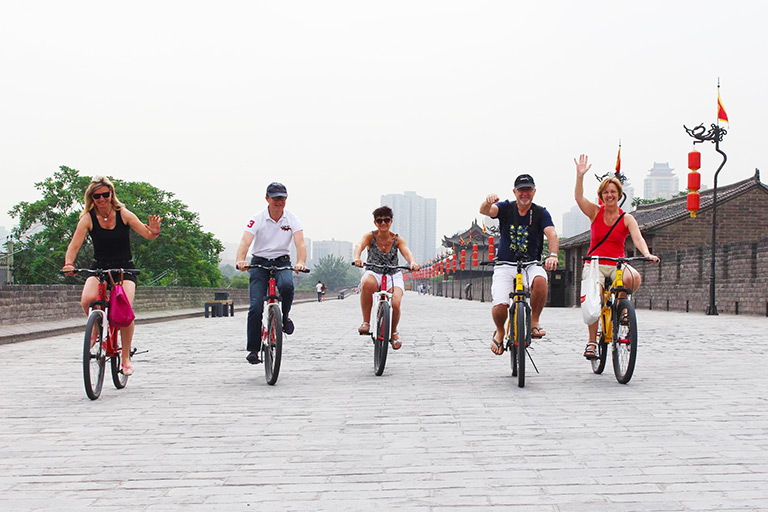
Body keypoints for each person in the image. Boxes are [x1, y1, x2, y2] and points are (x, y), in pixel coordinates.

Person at [62, 176, 162, 376]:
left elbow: (147, 234)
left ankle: (125, 357)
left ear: (111, 194)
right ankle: (97, 333)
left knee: (123, 310)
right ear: (91, 197)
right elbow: (74, 244)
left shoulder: (123, 214)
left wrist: (155, 231)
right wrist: (69, 263)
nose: (101, 199)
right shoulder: (88, 218)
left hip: (124, 269)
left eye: (105, 195)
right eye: (97, 196)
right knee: (87, 300)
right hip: (99, 267)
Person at [574, 154, 659, 359]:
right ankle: (592, 341)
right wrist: (579, 177)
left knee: (634, 277)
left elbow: (637, 239)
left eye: (613, 192)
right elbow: (578, 198)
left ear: (619, 194)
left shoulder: (627, 218)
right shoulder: (595, 212)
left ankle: (621, 308)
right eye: (606, 192)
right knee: (595, 301)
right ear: (601, 195)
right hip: (595, 263)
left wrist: (646, 253)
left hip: (617, 263)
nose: (609, 195)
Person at [479, 173, 559, 355]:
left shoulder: (540, 212)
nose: (525, 194)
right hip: (505, 264)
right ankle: (500, 332)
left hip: (530, 263)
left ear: (534, 191)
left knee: (540, 280)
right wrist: (488, 202)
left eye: (528, 190)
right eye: (521, 190)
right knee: (500, 305)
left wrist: (553, 255)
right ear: (515, 192)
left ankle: (535, 322)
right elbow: (485, 211)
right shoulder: (506, 207)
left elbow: (552, 234)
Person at [236, 182, 307, 365]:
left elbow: (300, 243)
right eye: (275, 198)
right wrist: (241, 260)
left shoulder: (292, 219)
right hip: (259, 263)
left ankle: (284, 317)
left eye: (282, 198)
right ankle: (253, 349)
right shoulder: (257, 218)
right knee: (255, 306)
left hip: (282, 261)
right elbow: (245, 241)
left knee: (287, 286)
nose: (279, 201)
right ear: (267, 199)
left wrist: (300, 262)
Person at [352, 206, 419, 350]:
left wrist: (412, 262)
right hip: (374, 272)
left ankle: (394, 332)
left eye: (386, 220)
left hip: (393, 274)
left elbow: (407, 252)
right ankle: (366, 322)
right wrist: (357, 258)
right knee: (366, 284)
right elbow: (359, 246)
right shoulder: (370, 236)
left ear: (391, 221)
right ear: (375, 222)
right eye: (379, 220)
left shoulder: (397, 239)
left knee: (395, 303)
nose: (383, 223)